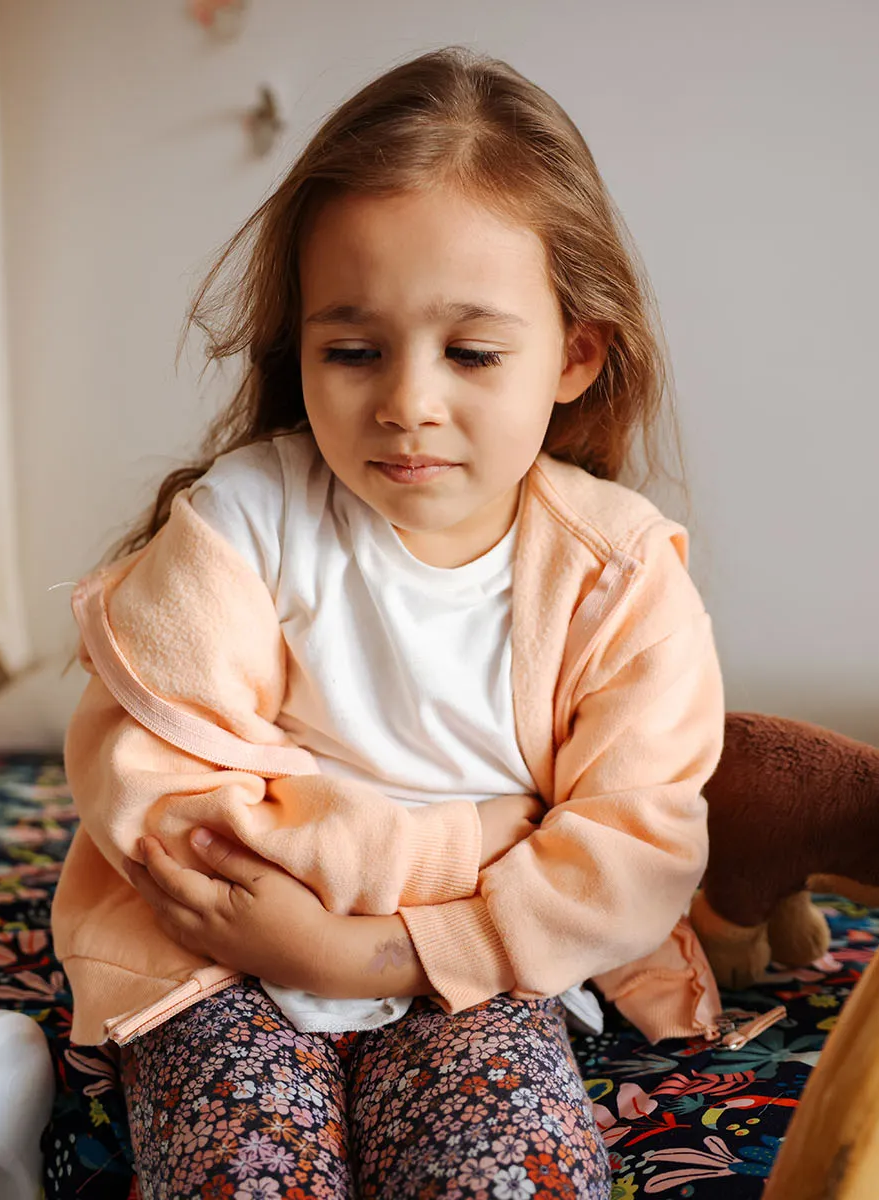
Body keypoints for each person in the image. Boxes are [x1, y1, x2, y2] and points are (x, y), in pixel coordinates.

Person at [52, 46, 726, 1200]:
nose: (408, 400)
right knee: (242, 1171)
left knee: (504, 1170)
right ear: (299, 349)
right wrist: (500, 841)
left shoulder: (619, 576)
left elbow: (628, 857)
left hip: (481, 980)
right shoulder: (240, 526)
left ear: (574, 353)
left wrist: (362, 946)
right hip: (222, 958)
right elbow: (163, 801)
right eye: (352, 351)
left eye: (470, 351)